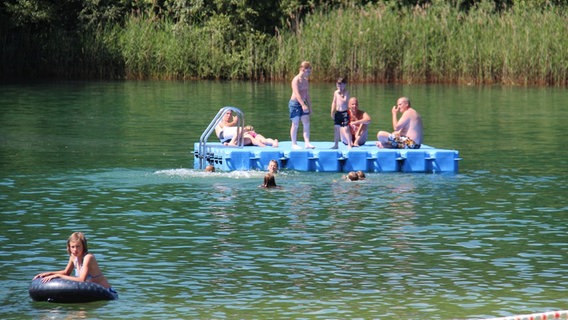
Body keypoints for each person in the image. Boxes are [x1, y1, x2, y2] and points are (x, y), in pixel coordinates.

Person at [33, 232, 118, 298]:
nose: (75, 250)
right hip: (90, 292)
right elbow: (66, 272)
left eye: (78, 246)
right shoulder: (73, 257)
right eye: (72, 247)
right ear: (69, 247)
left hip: (107, 293)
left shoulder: (88, 258)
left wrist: (58, 276)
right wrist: (49, 274)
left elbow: (82, 280)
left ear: (83, 247)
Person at [289, 61, 315, 150]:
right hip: (295, 104)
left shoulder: (305, 80)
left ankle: (307, 142)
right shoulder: (295, 80)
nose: (309, 74)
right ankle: (294, 143)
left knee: (306, 122)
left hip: (303, 103)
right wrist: (303, 105)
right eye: (308, 72)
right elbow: (297, 94)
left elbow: (306, 94)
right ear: (303, 70)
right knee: (295, 123)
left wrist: (310, 106)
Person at [330, 77, 352, 149]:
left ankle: (349, 144)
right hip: (338, 112)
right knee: (336, 128)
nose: (340, 87)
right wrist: (332, 111)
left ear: (344, 85)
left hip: (344, 112)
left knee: (346, 128)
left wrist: (340, 94)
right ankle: (336, 144)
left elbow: (344, 101)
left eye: (342, 85)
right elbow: (334, 102)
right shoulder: (336, 92)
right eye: (338, 85)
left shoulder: (346, 92)